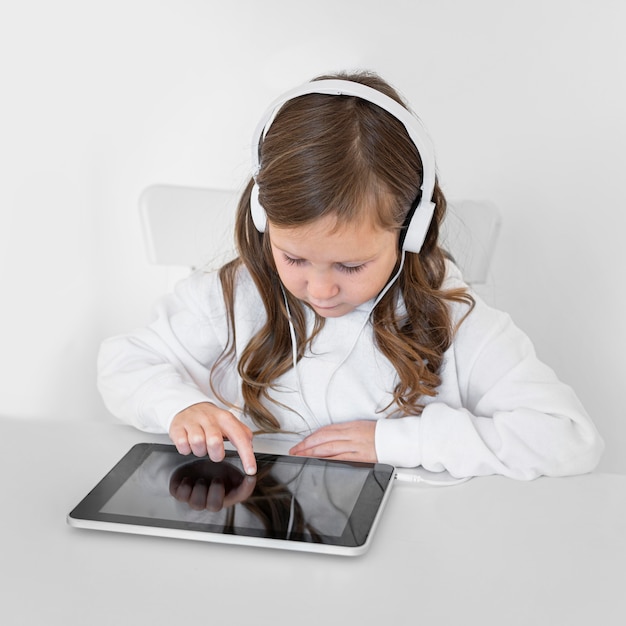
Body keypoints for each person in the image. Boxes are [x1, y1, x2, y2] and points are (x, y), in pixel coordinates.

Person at [97, 70, 604, 480]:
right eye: (294, 258)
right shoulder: (235, 297)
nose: (320, 289)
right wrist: (180, 406)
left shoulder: (455, 321)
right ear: (261, 219)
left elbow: (568, 439)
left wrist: (400, 441)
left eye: (351, 265)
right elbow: (122, 363)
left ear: (410, 232)